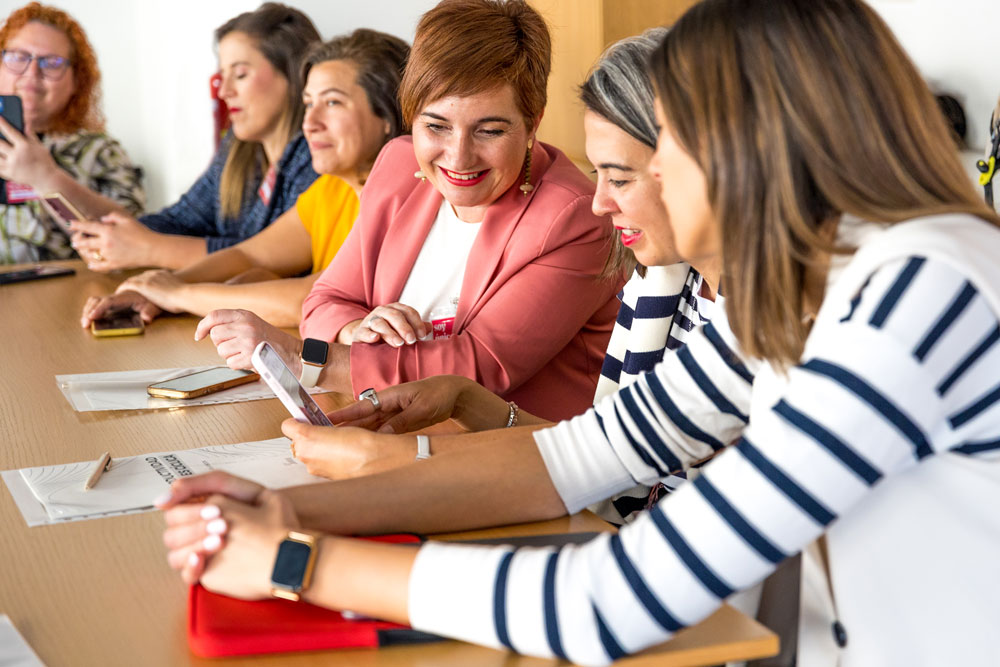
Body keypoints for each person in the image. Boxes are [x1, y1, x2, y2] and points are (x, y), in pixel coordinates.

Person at [161, 1, 1000, 664]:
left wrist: (294, 559)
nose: (610, 197)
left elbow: (610, 597)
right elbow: (577, 456)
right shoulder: (799, 281)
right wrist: (289, 508)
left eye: (660, 146)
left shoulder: (919, 293)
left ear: (748, 147)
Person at [270, 29, 714, 528]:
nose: (599, 202)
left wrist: (379, 452)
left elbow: (618, 484)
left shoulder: (581, 222)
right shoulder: (663, 284)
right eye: (436, 125)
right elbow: (610, 453)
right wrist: (458, 399)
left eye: (620, 178)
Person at [195, 0, 620, 422]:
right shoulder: (399, 164)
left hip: (516, 460)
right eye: (435, 126)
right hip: (388, 431)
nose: (458, 157)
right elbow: (326, 299)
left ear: (533, 123)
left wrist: (303, 356)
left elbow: (478, 370)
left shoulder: (576, 217)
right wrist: (353, 332)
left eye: (490, 130)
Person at [77, 29, 409, 329]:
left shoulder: (405, 193)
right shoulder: (333, 186)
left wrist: (178, 294)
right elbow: (250, 255)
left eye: (333, 102)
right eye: (309, 104)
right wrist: (153, 289)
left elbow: (309, 301)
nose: (311, 123)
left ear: (388, 114)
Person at [69, 3, 319, 272]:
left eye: (241, 74)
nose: (224, 91)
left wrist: (147, 248)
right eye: (221, 76)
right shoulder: (238, 146)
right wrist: (114, 236)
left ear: (295, 76)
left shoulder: (317, 154)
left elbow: (270, 255)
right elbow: (183, 218)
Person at [0, 2, 143, 264]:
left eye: (51, 62)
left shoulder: (102, 152)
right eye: (18, 57)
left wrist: (45, 177)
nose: (32, 74)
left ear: (77, 80)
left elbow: (137, 242)